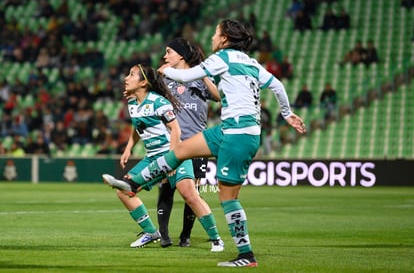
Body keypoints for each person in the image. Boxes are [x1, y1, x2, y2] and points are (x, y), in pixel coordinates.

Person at [103, 19, 306, 268]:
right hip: (229, 130)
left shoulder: (223, 57)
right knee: (180, 150)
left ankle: (246, 255)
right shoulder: (250, 62)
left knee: (227, 197)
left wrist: (163, 72)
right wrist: (286, 112)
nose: (212, 37)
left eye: (215, 33)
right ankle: (133, 183)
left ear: (224, 38)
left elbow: (188, 75)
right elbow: (277, 84)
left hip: (239, 135)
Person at [102, 64, 224, 252]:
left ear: (143, 82)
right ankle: (151, 232)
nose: (126, 77)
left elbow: (176, 129)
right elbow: (139, 127)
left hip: (174, 154)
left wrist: (172, 158)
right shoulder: (132, 103)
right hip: (152, 158)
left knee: (189, 194)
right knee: (124, 191)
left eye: (131, 74)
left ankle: (216, 239)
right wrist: (128, 149)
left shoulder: (159, 102)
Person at [156, 37, 220, 248]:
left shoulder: (199, 77)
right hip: (171, 143)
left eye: (169, 52)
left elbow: (218, 96)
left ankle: (185, 235)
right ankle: (164, 235)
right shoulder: (165, 78)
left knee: (192, 192)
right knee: (166, 187)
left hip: (196, 144)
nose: (165, 56)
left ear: (180, 55)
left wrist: (201, 74)